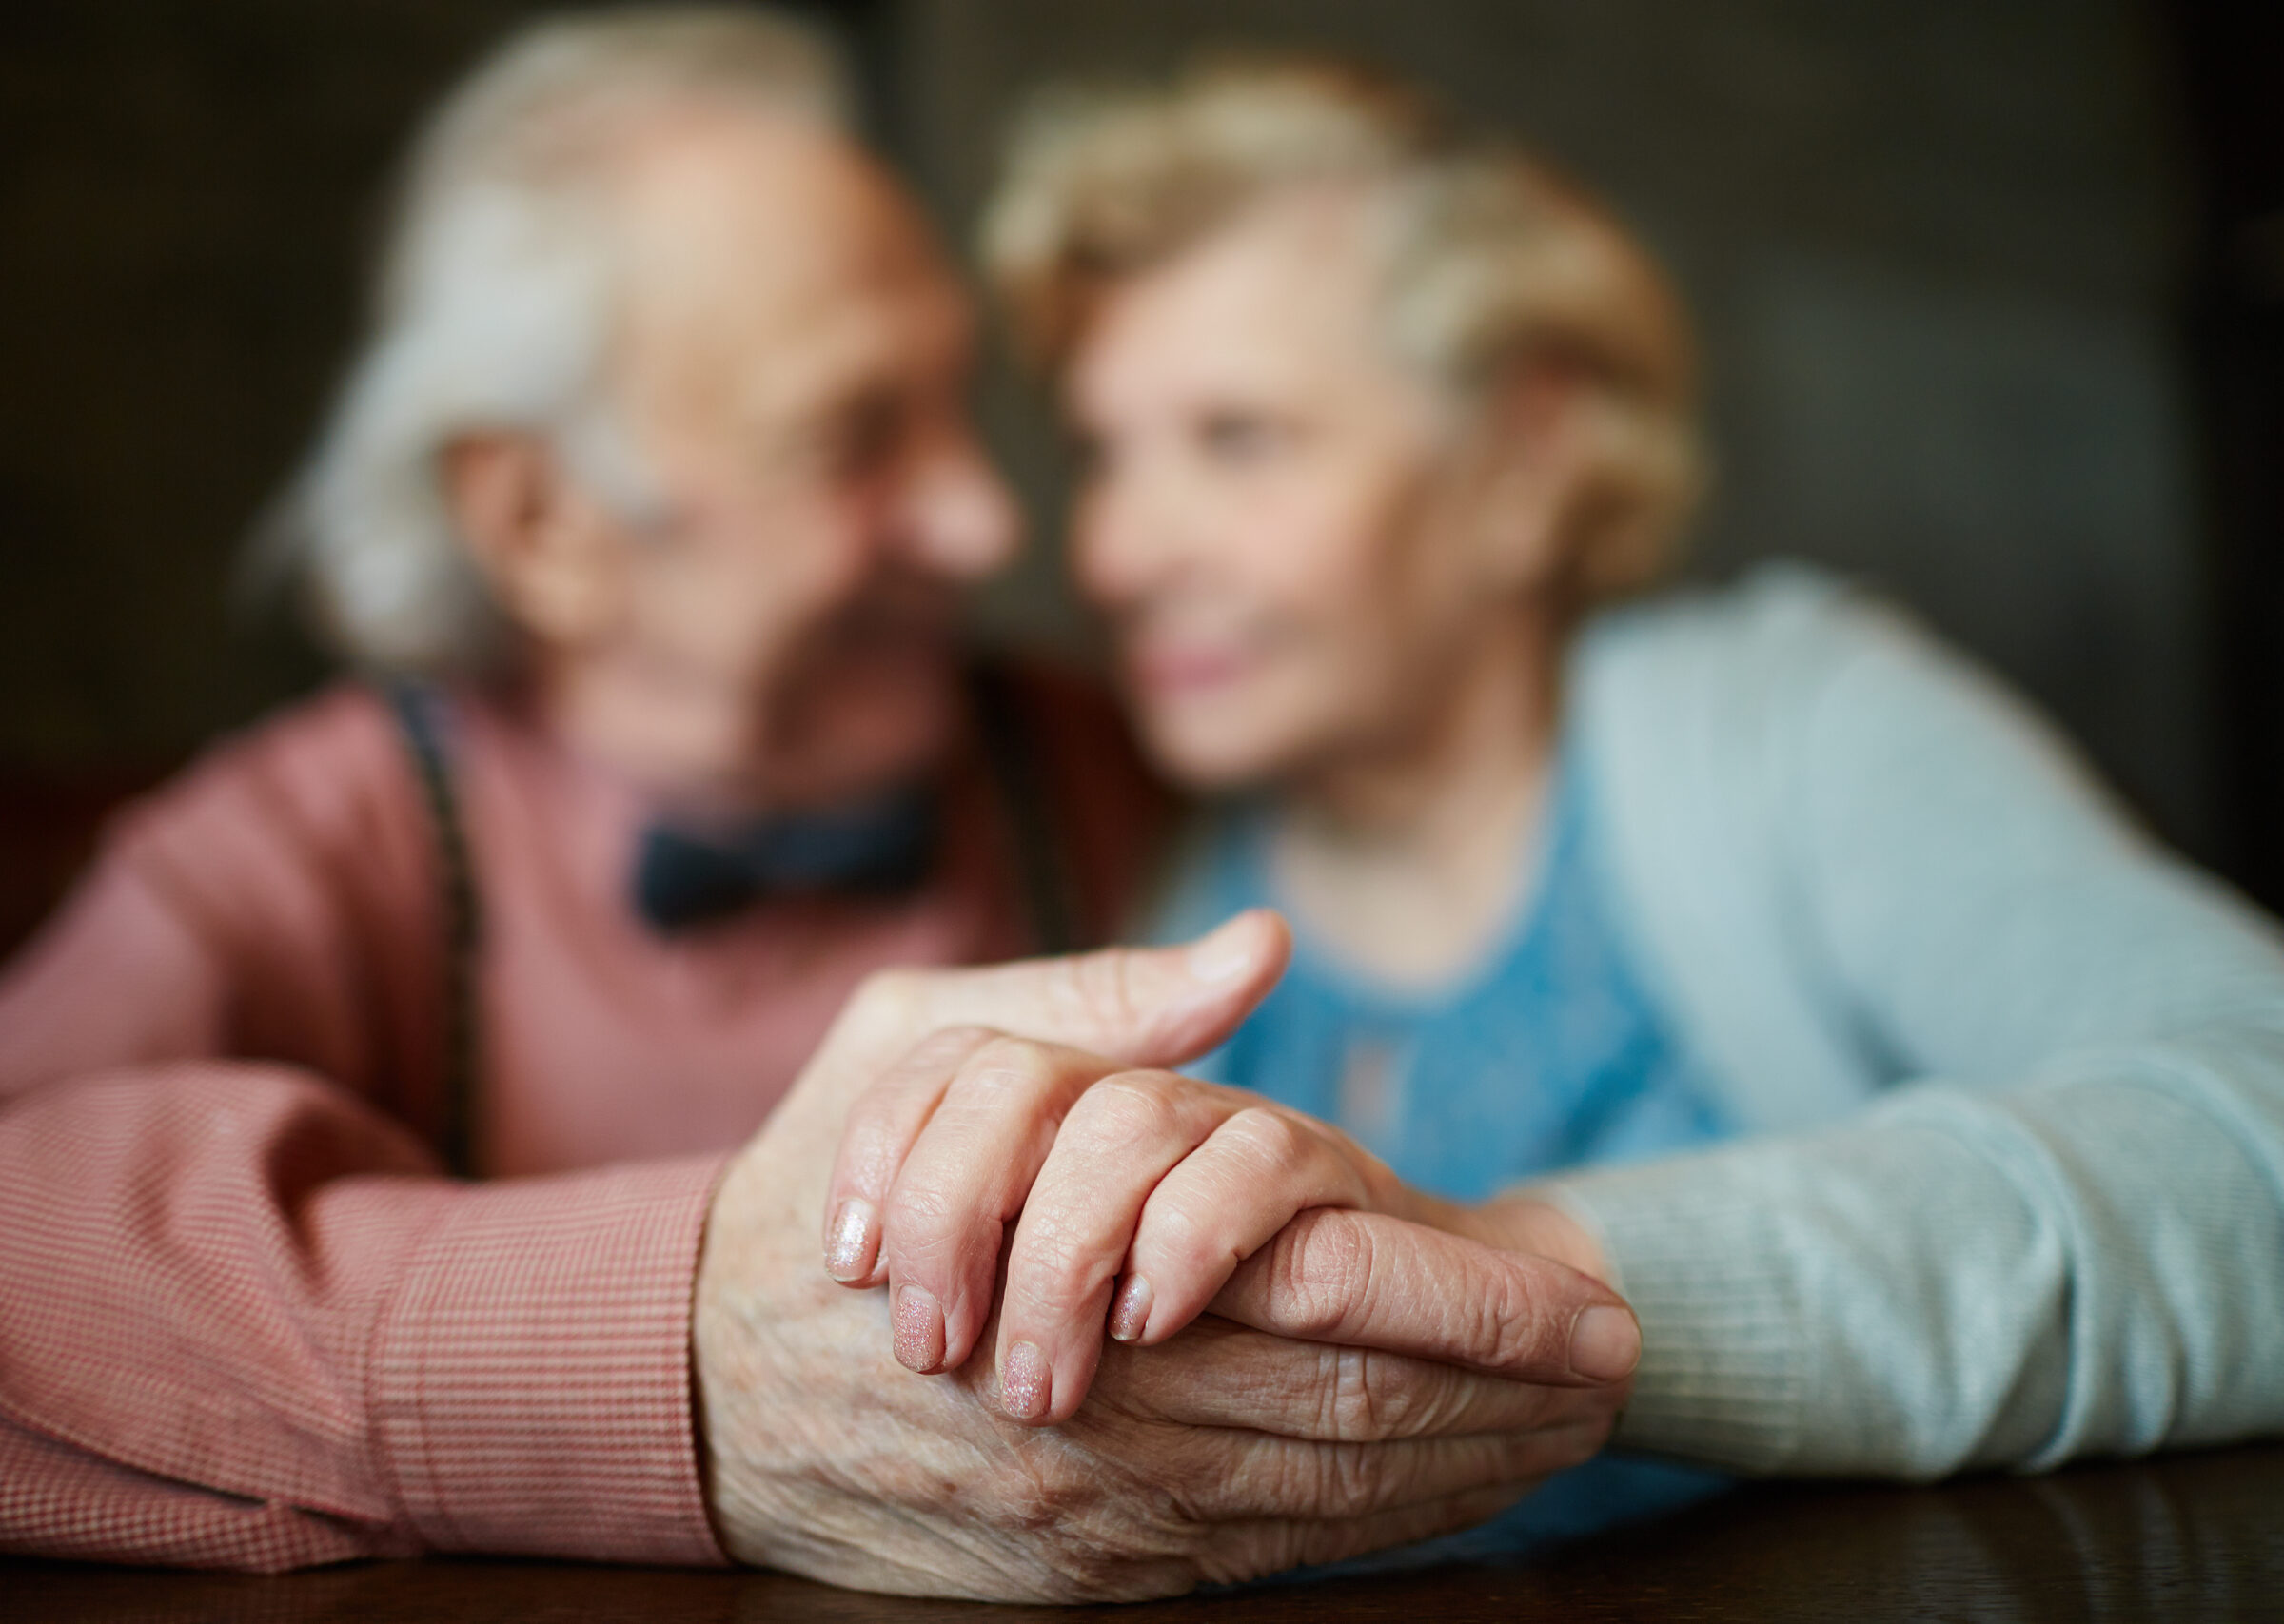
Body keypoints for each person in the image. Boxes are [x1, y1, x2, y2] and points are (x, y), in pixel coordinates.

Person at [0, 12, 1644, 1600]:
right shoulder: (325, 843)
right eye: (858, 434)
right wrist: (662, 1355)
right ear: (541, 523)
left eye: (965, 409)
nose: (991, 529)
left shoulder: (1104, 759)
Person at [823, 58, 2284, 1485]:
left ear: (1525, 458)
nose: (1116, 553)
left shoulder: (1791, 725)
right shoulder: (1143, 861)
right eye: (1103, 454)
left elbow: (2253, 1133)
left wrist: (1524, 1277)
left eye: (1238, 439)